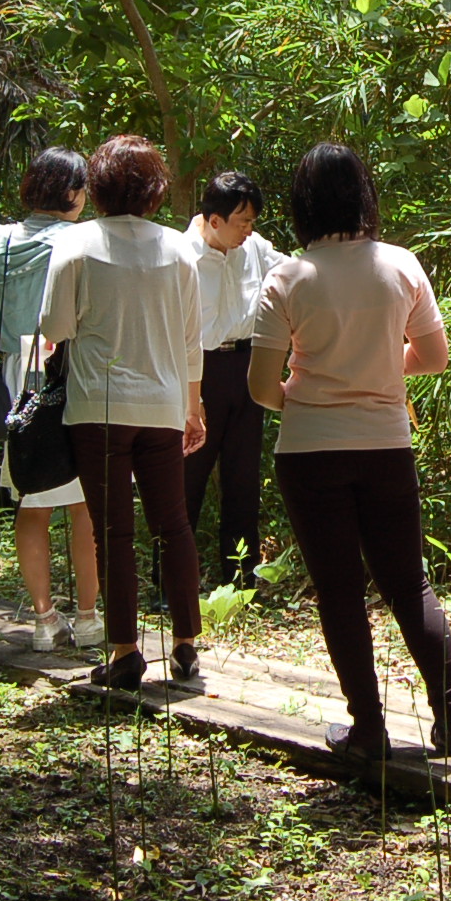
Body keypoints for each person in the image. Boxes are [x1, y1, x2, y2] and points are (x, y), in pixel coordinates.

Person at [247, 142, 451, 759]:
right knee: (408, 583)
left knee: (340, 591)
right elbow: (433, 357)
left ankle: (368, 729)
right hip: (385, 445)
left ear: (303, 204)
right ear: (365, 196)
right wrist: (378, 370)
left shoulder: (287, 277)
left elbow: (260, 386)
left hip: (311, 451)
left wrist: (303, 391)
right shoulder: (401, 265)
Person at [38, 134, 207, 692]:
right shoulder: (179, 249)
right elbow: (191, 340)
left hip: (98, 406)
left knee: (113, 530)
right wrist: (193, 406)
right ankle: (185, 646)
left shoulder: (77, 245)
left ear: (99, 186)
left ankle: (125, 651)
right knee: (174, 524)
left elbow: (54, 328)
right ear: (155, 191)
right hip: (162, 405)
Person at [0, 146, 103, 653]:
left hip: (19, 381)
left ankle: (45, 622)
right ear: (72, 192)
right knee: (85, 505)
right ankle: (88, 620)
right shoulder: (83, 241)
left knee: (32, 503)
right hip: (73, 376)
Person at [183, 171, 285, 589]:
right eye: (241, 221)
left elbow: (294, 278)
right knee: (186, 482)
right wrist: (190, 397)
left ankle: (240, 580)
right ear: (213, 219)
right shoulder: (180, 254)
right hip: (196, 373)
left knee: (242, 480)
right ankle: (175, 583)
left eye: (252, 221)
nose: (249, 229)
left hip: (247, 368)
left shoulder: (256, 249)